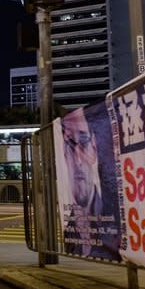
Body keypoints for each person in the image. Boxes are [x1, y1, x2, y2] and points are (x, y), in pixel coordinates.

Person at [61, 107, 104, 257]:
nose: (78, 160)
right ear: (64, 154)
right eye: (71, 145)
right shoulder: (67, 228)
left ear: (94, 148)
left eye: (84, 141)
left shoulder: (114, 221)